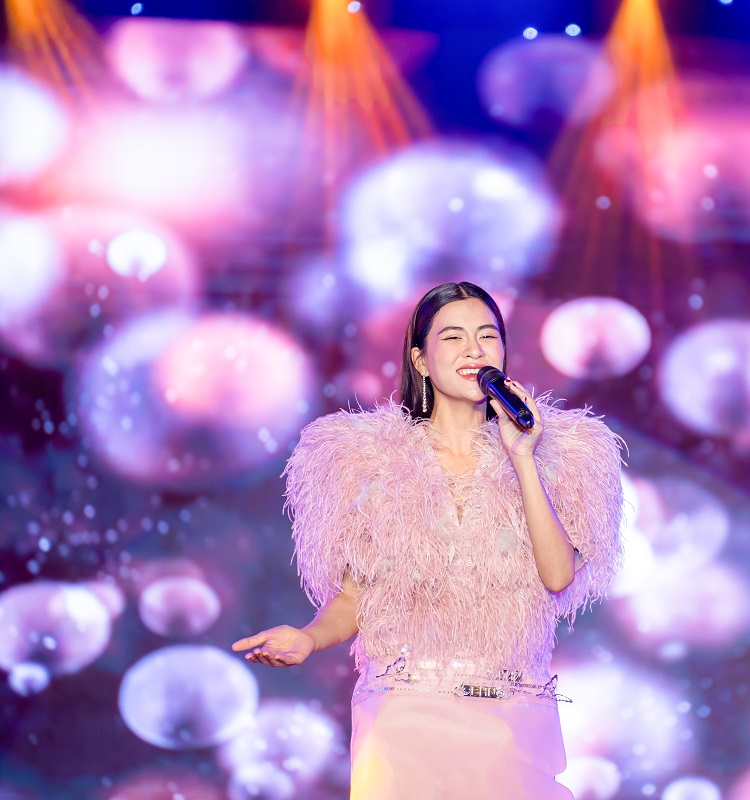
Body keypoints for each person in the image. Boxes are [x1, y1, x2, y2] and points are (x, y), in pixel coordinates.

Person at [232, 281, 624, 799]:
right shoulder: (369, 461)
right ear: (420, 359)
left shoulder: (560, 457)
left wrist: (522, 457)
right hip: (405, 720)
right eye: (453, 337)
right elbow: (357, 597)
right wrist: (309, 637)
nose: (474, 350)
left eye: (488, 336)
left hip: (509, 723)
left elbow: (557, 576)